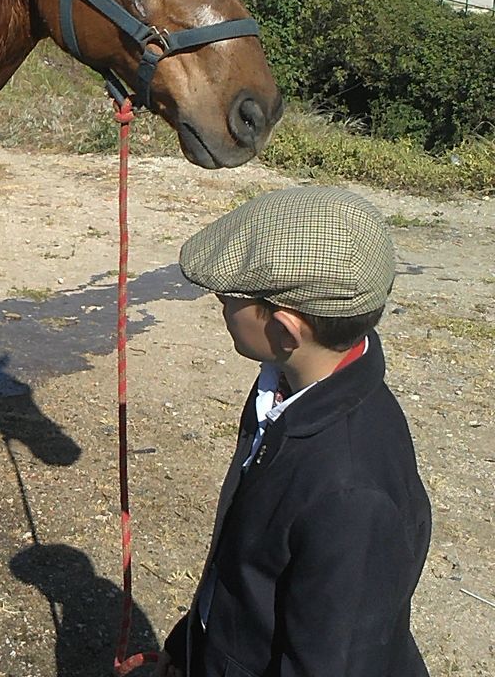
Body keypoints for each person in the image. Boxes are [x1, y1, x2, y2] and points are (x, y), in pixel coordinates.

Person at [159, 186, 431, 677]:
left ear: (285, 331)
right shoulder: (287, 387)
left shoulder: (350, 495)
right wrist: (190, 645)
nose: (221, 309)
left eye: (228, 301)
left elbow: (333, 660)